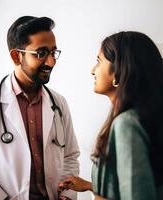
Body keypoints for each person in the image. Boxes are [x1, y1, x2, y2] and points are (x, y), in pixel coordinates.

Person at [0, 16, 80, 200]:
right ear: (16, 56)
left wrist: (67, 194)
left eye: (53, 52)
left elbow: (70, 157)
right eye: (41, 53)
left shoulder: (58, 103)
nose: (51, 62)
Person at [58, 31, 163, 200]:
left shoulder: (127, 124)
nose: (93, 70)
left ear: (118, 72)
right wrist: (91, 187)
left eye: (98, 62)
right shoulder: (145, 117)